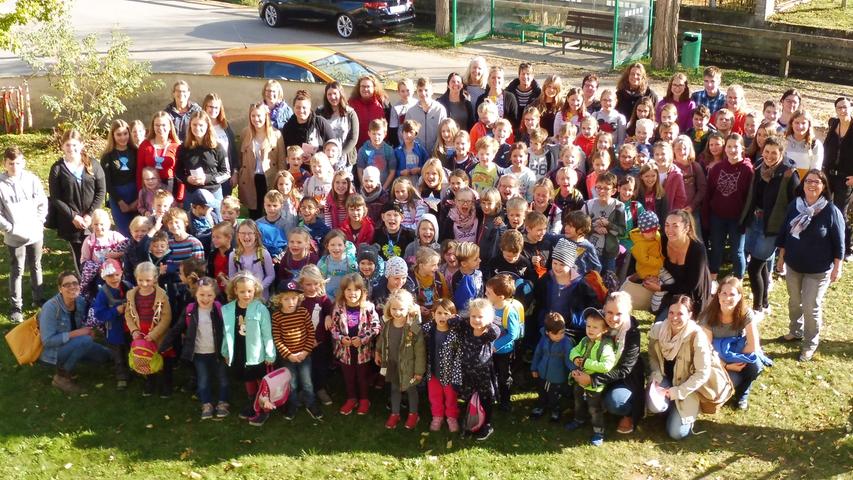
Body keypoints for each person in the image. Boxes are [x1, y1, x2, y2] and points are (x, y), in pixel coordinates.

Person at [776, 169, 844, 362]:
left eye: (817, 182)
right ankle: (795, 331)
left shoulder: (831, 211)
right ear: (803, 184)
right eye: (808, 181)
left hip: (818, 270)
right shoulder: (794, 206)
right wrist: (781, 257)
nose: (812, 185)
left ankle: (809, 344)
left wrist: (838, 267)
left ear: (823, 187)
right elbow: (785, 233)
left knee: (810, 307)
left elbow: (839, 242)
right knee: (794, 301)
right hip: (794, 265)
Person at [647, 295, 733, 440]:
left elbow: (702, 374)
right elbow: (652, 356)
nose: (674, 318)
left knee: (676, 433)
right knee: (653, 407)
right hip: (666, 377)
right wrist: (656, 376)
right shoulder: (658, 329)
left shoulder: (696, 336)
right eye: (671, 312)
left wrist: (676, 392)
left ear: (690, 315)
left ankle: (690, 407)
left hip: (689, 387)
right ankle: (671, 406)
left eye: (680, 313)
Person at [742, 137, 799, 316]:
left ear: (781, 153)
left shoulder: (789, 173)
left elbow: (795, 204)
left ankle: (757, 308)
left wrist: (787, 231)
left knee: (754, 267)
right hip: (755, 221)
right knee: (762, 265)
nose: (769, 156)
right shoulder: (759, 166)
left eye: (774, 153)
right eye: (766, 151)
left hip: (773, 226)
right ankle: (765, 303)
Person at [161, 277, 230, 420]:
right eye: (202, 295)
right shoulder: (190, 310)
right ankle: (207, 404)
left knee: (223, 379)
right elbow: (177, 329)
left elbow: (228, 330)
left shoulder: (219, 309)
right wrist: (164, 345)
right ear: (195, 294)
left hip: (219, 353)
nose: (205, 298)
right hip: (199, 353)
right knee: (203, 380)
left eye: (209, 295)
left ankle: (223, 403)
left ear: (215, 295)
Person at [698, 276, 768, 410]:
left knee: (756, 365)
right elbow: (706, 350)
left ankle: (743, 393)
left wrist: (738, 360)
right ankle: (735, 382)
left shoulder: (746, 313)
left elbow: (753, 345)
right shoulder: (707, 316)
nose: (727, 298)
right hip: (716, 358)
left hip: (738, 352)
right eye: (724, 293)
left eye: (732, 294)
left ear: (739, 296)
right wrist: (727, 365)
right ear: (718, 295)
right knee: (728, 383)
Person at [39, 271, 112, 393]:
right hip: (53, 352)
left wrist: (87, 330)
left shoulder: (80, 301)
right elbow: (47, 341)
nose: (72, 287)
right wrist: (79, 333)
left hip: (75, 343)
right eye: (67, 285)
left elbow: (81, 322)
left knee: (107, 356)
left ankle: (78, 354)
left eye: (75, 283)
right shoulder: (50, 307)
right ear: (60, 289)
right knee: (85, 340)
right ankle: (62, 376)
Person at [48, 129, 106, 272]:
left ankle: (100, 286)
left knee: (99, 252)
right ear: (62, 146)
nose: (71, 148)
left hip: (92, 221)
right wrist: (73, 216)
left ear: (81, 145)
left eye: (74, 145)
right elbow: (56, 198)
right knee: (82, 256)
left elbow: (101, 191)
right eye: (67, 145)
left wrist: (89, 214)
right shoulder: (57, 168)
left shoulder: (93, 165)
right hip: (71, 223)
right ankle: (84, 286)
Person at [222, 272, 276, 426]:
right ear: (235, 292)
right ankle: (253, 402)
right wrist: (225, 351)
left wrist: (270, 353)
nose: (246, 295)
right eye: (242, 291)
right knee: (247, 377)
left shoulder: (260, 309)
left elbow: (267, 334)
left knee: (261, 380)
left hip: (257, 353)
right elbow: (226, 333)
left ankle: (264, 409)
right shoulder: (228, 309)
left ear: (255, 290)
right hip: (239, 350)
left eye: (250, 291)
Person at [0, 146, 47, 323]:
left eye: (18, 163)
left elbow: (42, 202)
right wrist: (9, 228)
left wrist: (39, 222)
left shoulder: (32, 179)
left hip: (34, 232)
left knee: (36, 265)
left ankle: (39, 299)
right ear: (4, 163)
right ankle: (16, 306)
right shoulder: (1, 184)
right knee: (17, 269)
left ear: (23, 162)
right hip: (14, 236)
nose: (14, 166)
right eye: (11, 163)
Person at [643, 210, 712, 322]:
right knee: (660, 325)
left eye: (675, 226)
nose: (669, 230)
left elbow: (692, 286)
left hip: (692, 296)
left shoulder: (697, 249)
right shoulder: (663, 240)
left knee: (670, 325)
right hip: (670, 290)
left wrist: (661, 288)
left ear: (686, 228)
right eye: (667, 225)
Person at [271, 280, 323, 420]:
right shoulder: (277, 317)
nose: (291, 302)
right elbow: (277, 338)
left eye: (294, 298)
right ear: (279, 300)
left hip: (305, 355)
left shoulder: (302, 312)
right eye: (286, 299)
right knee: (292, 383)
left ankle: (311, 403)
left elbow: (310, 333)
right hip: (288, 358)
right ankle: (292, 404)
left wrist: (305, 352)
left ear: (298, 298)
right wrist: (289, 355)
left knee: (307, 382)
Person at [330, 273, 381, 416]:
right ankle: (351, 398)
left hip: (362, 351)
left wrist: (363, 339)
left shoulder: (368, 307)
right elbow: (333, 327)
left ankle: (364, 399)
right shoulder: (339, 307)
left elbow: (376, 327)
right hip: (345, 352)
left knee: (362, 377)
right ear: (343, 291)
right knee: (349, 377)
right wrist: (341, 338)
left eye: (356, 290)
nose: (352, 293)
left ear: (362, 291)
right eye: (348, 290)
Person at [564, 307, 616, 446]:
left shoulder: (606, 346)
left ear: (604, 329)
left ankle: (598, 431)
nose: (590, 329)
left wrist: (586, 362)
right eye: (588, 326)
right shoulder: (585, 341)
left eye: (595, 327)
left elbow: (606, 366)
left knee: (594, 408)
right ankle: (578, 419)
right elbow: (573, 351)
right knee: (578, 402)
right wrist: (575, 359)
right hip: (580, 381)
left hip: (595, 385)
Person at [375, 289, 426, 430]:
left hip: (409, 367)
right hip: (392, 364)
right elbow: (382, 340)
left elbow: (420, 350)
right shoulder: (388, 324)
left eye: (401, 309)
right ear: (389, 308)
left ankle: (413, 414)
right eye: (394, 309)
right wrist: (377, 352)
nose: (397, 312)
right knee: (395, 389)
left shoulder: (413, 328)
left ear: (408, 309)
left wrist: (419, 371)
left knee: (411, 389)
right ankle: (395, 413)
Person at [126, 261, 174, 398]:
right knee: (145, 358)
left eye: (148, 280)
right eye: (140, 280)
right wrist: (134, 330)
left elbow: (166, 318)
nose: (144, 283)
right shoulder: (131, 295)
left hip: (158, 335)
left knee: (164, 359)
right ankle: (150, 383)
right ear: (136, 278)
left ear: (155, 278)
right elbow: (128, 314)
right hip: (141, 334)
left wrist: (154, 334)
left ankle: (166, 385)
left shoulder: (161, 295)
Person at [458, 298, 501, 441]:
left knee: (485, 398)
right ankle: (470, 423)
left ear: (489, 318)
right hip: (467, 372)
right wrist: (463, 317)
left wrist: (486, 324)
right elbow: (453, 321)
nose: (476, 320)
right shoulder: (466, 327)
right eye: (473, 316)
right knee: (468, 397)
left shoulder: (489, 332)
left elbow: (496, 330)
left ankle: (487, 424)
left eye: (481, 317)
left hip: (483, 373)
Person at [176, 110, 229, 220]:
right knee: (192, 227)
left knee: (218, 227)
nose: (197, 128)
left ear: (207, 126)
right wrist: (187, 179)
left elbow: (226, 172)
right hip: (192, 193)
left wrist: (207, 178)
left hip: (213, 192)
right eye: (194, 124)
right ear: (190, 126)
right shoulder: (183, 148)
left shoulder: (217, 147)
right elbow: (177, 172)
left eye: (201, 125)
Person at [422, 299, 463, 432]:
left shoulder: (456, 332)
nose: (442, 316)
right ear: (433, 314)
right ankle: (437, 416)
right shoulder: (428, 328)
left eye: (446, 313)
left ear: (453, 316)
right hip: (433, 371)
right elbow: (414, 333)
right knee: (434, 396)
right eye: (439, 313)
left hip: (450, 374)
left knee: (451, 397)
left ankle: (451, 417)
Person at [239, 103, 285, 219]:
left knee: (270, 211)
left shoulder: (276, 134)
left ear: (266, 116)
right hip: (250, 178)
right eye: (253, 116)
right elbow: (240, 157)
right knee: (254, 212)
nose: (256, 119)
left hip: (269, 178)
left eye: (259, 116)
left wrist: (281, 180)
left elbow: (281, 160)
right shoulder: (245, 133)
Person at [529, 312, 574, 423]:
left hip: (557, 375)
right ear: (548, 332)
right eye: (557, 334)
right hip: (542, 372)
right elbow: (538, 353)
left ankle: (555, 410)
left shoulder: (566, 343)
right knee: (542, 391)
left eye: (562, 333)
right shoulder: (543, 339)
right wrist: (534, 368)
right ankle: (540, 406)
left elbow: (569, 358)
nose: (560, 336)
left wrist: (574, 370)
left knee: (554, 395)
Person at [823, 97, 853, 259]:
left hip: (846, 178)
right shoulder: (833, 124)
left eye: (845, 107)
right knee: (824, 208)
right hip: (829, 174)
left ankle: (846, 248)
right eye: (839, 107)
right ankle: (826, 241)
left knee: (841, 213)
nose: (842, 110)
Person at [100, 120, 138, 236]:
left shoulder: (135, 152)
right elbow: (106, 182)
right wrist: (119, 201)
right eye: (119, 134)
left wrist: (136, 201)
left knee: (138, 230)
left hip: (135, 195)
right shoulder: (108, 156)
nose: (123, 138)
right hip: (117, 196)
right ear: (113, 135)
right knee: (124, 232)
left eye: (125, 133)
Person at [202, 93, 238, 196]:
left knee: (225, 207)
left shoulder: (225, 126)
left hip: (225, 174)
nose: (213, 110)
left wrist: (235, 172)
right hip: (208, 175)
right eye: (211, 106)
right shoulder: (201, 126)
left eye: (216, 107)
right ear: (205, 107)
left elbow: (233, 151)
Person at [316, 81, 360, 166]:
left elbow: (353, 138)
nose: (332, 97)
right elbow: (316, 135)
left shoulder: (350, 113)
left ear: (340, 94)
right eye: (329, 94)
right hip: (325, 157)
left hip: (344, 158)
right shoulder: (319, 111)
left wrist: (340, 154)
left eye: (335, 93)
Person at [281, 90, 334, 155]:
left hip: (317, 163)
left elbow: (332, 145)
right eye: (298, 107)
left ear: (309, 108)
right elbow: (284, 150)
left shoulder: (320, 123)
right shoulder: (288, 127)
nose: (301, 110)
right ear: (293, 108)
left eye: (304, 107)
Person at [350, 75, 389, 148]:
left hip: (379, 148)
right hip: (358, 148)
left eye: (368, 86)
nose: (365, 89)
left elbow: (388, 125)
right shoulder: (351, 104)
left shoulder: (383, 103)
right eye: (363, 86)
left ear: (374, 88)